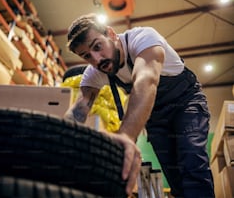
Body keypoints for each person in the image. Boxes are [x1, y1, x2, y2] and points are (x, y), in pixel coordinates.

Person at [64, 13, 215, 197]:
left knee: (191, 161)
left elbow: (146, 81)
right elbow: (81, 107)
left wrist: (126, 136)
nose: (96, 59)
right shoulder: (93, 73)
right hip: (155, 117)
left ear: (111, 34)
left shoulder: (144, 39)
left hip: (185, 103)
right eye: (87, 56)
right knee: (173, 175)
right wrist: (61, 136)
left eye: (98, 46)